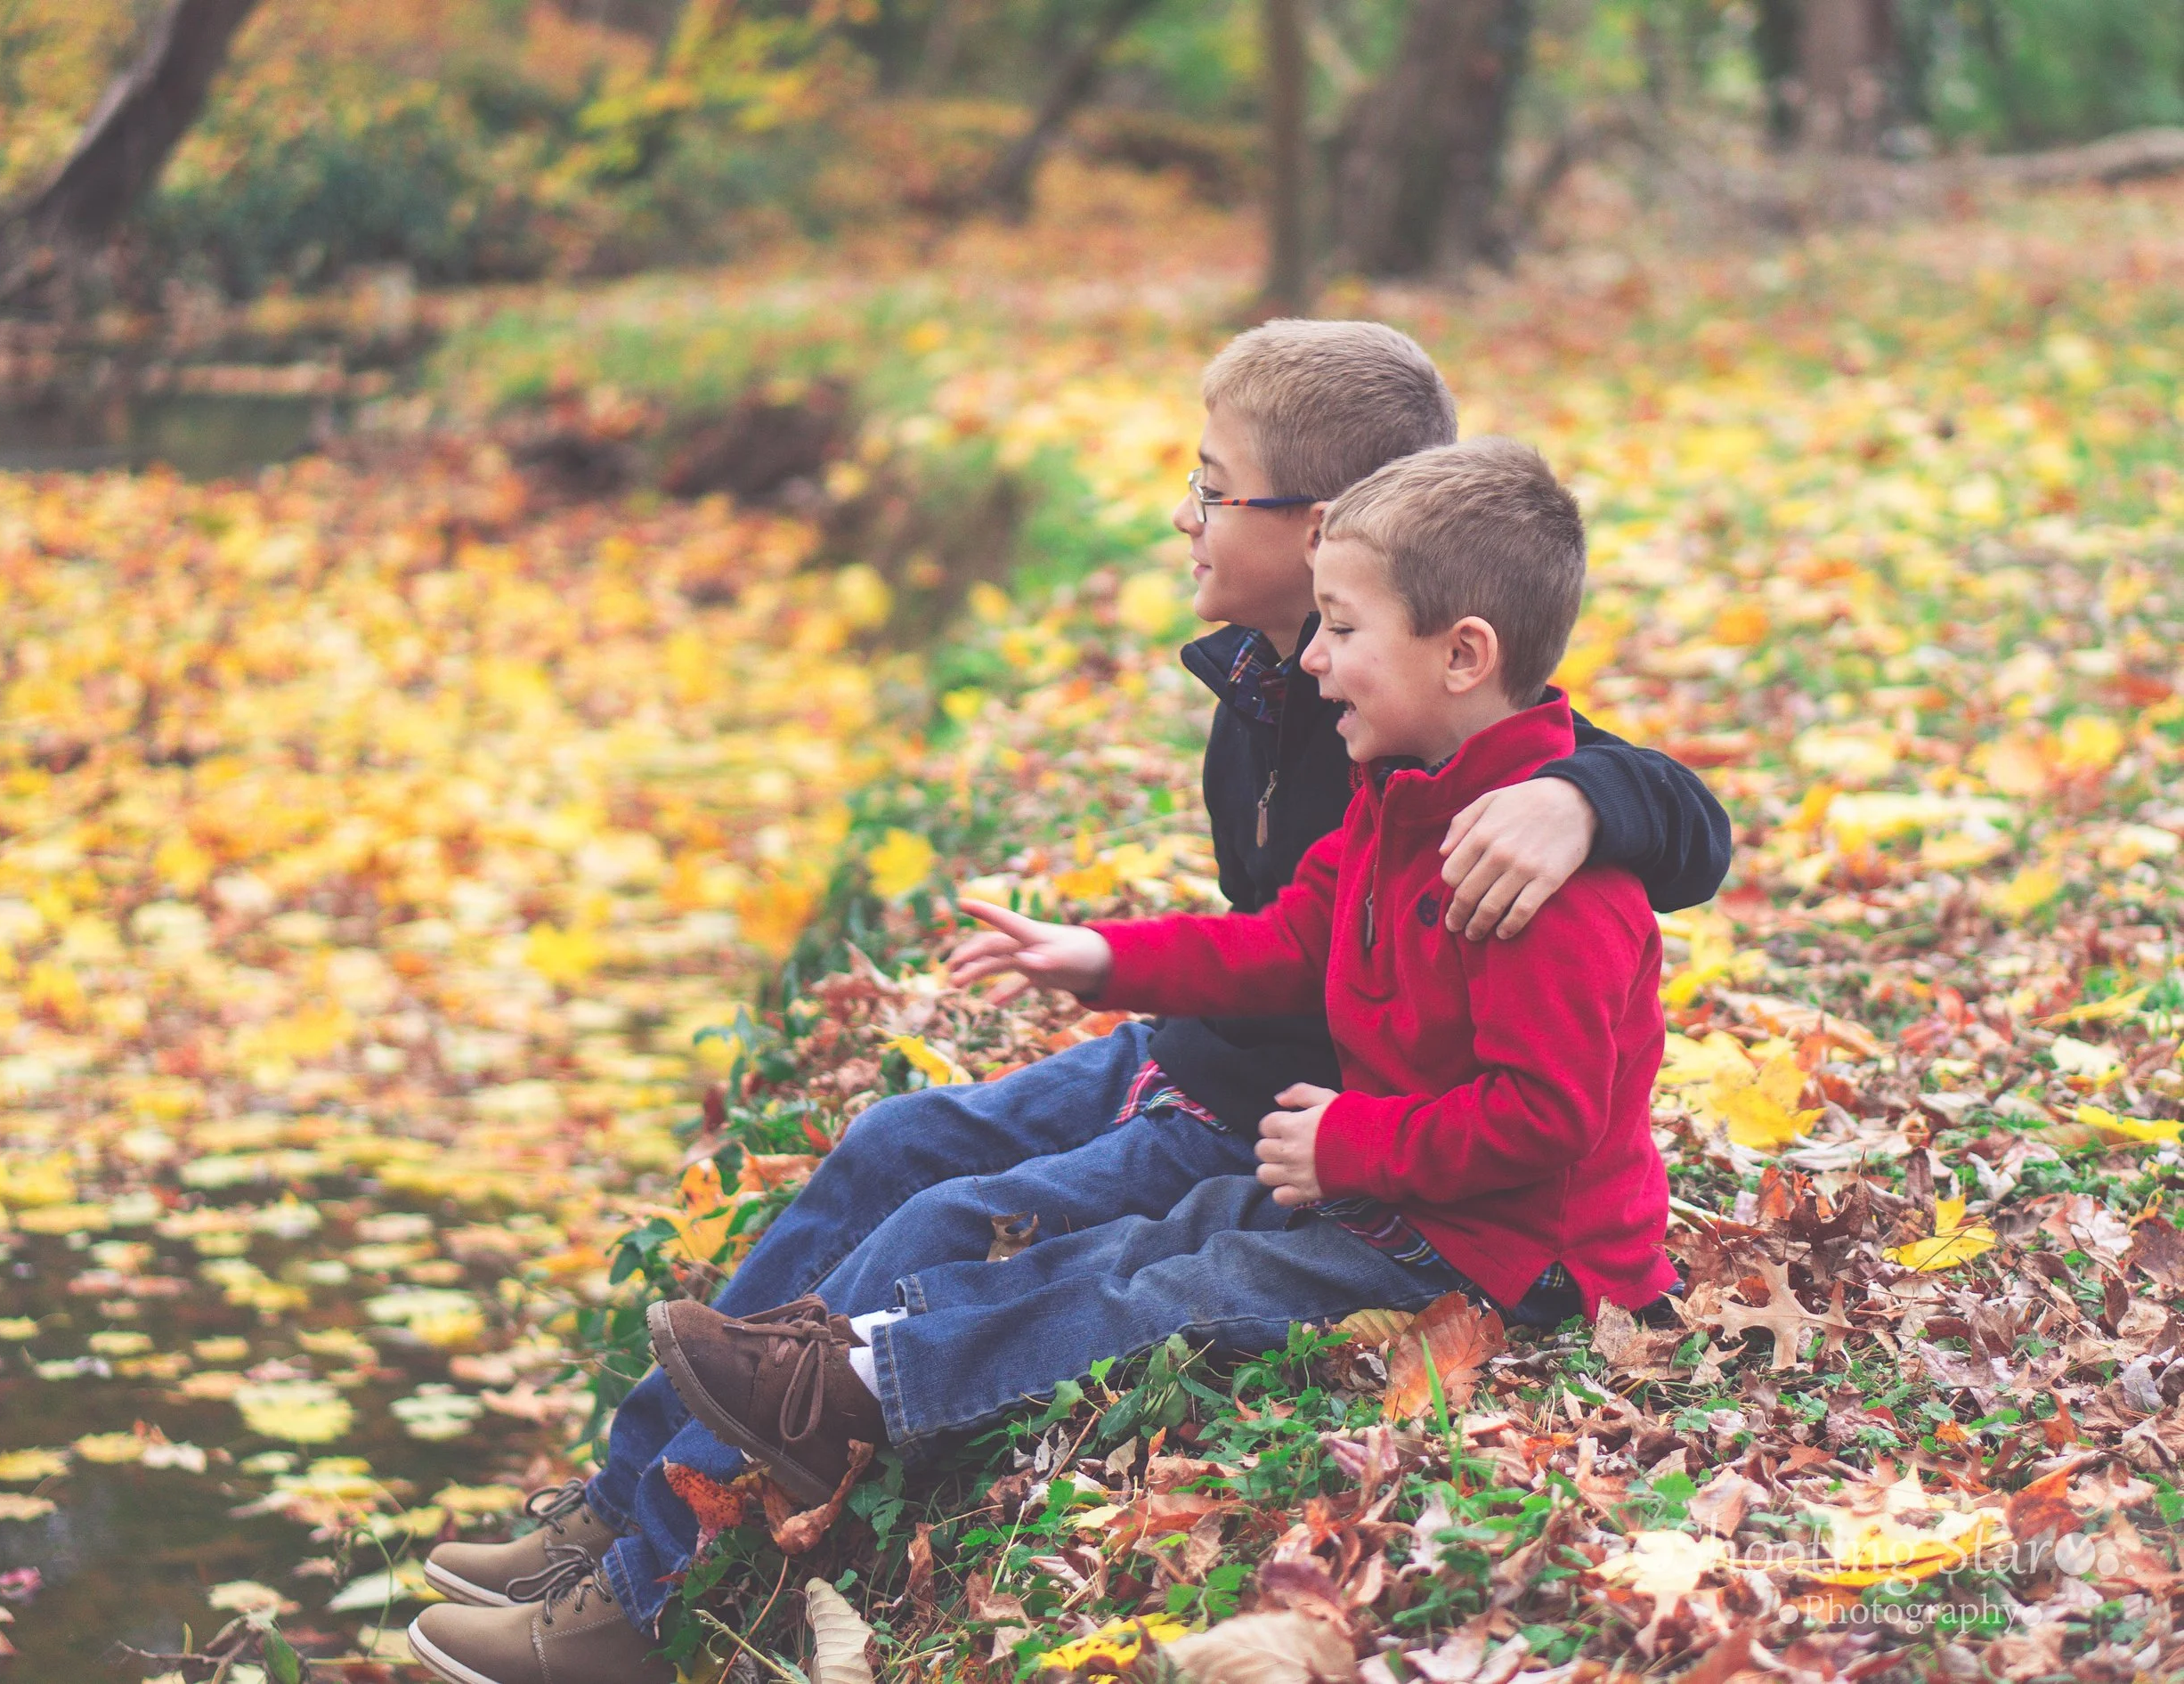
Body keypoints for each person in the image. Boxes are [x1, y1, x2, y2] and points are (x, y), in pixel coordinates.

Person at [407, 327, 1728, 1684]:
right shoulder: (1314, 699)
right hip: (1215, 1074)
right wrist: (1103, 958)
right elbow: (1287, 930)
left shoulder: (1486, 791)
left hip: (1308, 1139)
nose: (1184, 513)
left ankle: (655, 1578)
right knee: (896, 1144)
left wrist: (1582, 802)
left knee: (973, 1230)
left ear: (1327, 534)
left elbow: (1651, 812)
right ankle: (627, 1497)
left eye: (1215, 487)